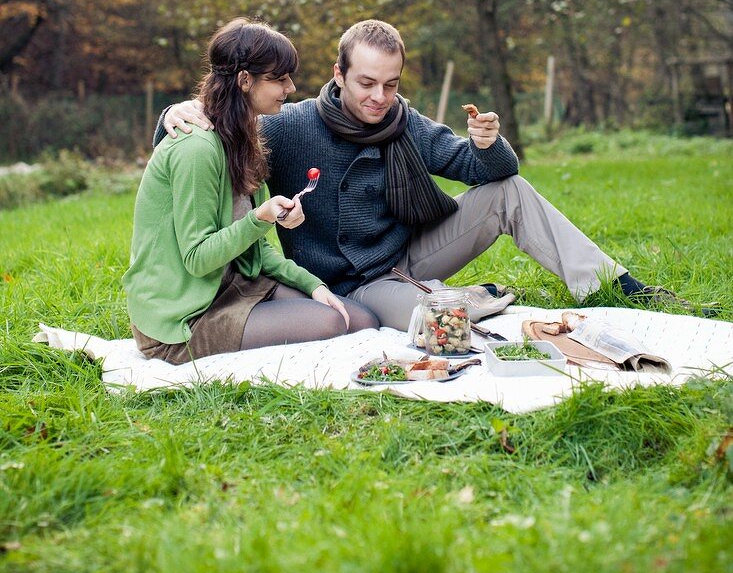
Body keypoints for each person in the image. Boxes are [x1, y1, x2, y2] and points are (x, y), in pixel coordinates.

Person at [156, 18, 684, 332]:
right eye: (365, 82)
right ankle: (464, 299)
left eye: (391, 84)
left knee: (510, 191)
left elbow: (488, 173)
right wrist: (174, 115)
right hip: (351, 281)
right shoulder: (290, 126)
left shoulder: (405, 123)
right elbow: (214, 143)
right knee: (440, 323)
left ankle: (613, 284)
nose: (378, 98)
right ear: (338, 75)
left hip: (407, 254)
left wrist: (488, 144)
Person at [125, 18, 378, 364]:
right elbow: (197, 259)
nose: (290, 87)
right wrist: (260, 217)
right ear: (245, 80)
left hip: (234, 286)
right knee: (332, 321)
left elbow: (254, 250)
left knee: (363, 321)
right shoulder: (197, 149)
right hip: (183, 317)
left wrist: (312, 284)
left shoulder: (244, 137)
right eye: (279, 78)